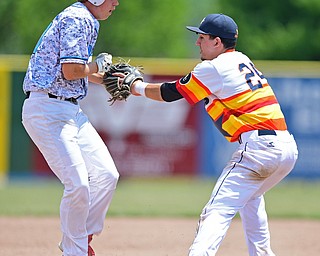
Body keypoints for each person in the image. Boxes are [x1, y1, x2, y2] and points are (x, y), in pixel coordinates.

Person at [130, 14, 298, 256]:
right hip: (286, 148)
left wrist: (135, 86)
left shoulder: (213, 67)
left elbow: (170, 93)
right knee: (251, 198)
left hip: (261, 148)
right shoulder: (241, 59)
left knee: (218, 209)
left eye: (202, 37)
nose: (197, 43)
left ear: (217, 42)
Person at [22, 0, 120, 255]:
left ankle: (79, 236)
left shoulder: (85, 18)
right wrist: (97, 66)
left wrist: (114, 80)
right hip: (47, 109)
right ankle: (74, 250)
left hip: (69, 109)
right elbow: (71, 70)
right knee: (78, 184)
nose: (116, 3)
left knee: (107, 175)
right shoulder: (78, 18)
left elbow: (78, 69)